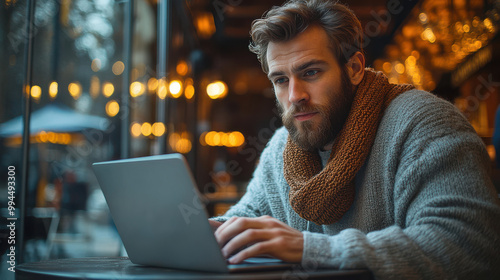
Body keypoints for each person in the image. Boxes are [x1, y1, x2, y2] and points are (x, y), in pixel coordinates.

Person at [209, 0, 500, 278]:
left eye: (310, 72)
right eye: (281, 80)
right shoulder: (280, 147)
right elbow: (247, 217)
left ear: (354, 68)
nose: (295, 96)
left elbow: (468, 245)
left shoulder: (424, 121)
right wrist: (206, 232)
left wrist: (311, 249)